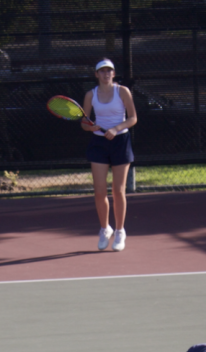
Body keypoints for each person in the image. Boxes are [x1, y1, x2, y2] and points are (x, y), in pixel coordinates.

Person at [81, 59, 137, 252]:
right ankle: (105, 229)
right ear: (97, 74)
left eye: (109, 71)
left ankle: (120, 231)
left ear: (113, 74)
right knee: (99, 192)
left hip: (120, 141)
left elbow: (133, 118)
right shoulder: (90, 95)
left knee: (118, 191)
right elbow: (83, 122)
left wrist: (115, 128)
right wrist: (91, 126)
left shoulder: (123, 92)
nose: (106, 74)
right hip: (98, 143)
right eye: (102, 71)